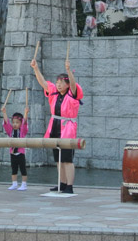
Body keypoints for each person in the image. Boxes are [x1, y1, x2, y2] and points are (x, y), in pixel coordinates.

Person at [31, 55, 84, 194]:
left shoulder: (72, 94)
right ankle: (61, 183)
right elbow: (43, 82)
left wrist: (69, 70)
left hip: (67, 127)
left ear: (67, 84)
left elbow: (73, 85)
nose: (59, 84)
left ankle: (69, 186)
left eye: (61, 82)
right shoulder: (54, 93)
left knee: (67, 159)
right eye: (57, 81)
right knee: (58, 159)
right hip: (55, 125)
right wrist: (36, 68)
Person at [1, 105, 29, 191]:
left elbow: (25, 122)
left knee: (23, 168)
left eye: (17, 122)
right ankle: (14, 183)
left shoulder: (22, 131)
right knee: (14, 169)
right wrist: (4, 112)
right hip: (12, 152)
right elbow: (7, 122)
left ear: (20, 124)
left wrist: (26, 113)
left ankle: (24, 184)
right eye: (14, 122)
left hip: (20, 152)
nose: (15, 124)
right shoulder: (10, 131)